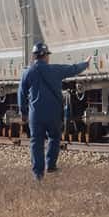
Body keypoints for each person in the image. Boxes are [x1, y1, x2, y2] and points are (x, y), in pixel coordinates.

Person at [18, 41, 91, 181]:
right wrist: (85, 64)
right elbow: (73, 69)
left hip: (36, 114)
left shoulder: (27, 72)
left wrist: (23, 112)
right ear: (46, 56)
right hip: (53, 113)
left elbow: (21, 93)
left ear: (34, 57)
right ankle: (50, 165)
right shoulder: (55, 70)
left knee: (36, 141)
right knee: (54, 137)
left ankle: (38, 174)